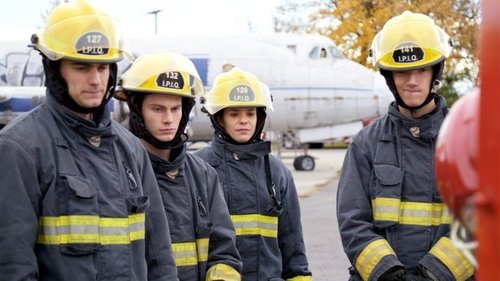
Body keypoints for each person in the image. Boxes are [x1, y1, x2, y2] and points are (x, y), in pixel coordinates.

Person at [0, 1, 178, 280]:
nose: (96, 79)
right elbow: (12, 266)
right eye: (81, 67)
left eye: (103, 67)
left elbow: (160, 258)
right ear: (55, 69)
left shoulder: (130, 149)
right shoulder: (20, 148)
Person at [336, 10, 475, 281]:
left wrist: (434, 274)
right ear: (389, 76)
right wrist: (387, 273)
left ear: (436, 71)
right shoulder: (366, 144)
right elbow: (352, 221)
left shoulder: (466, 140)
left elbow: (482, 219)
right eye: (402, 71)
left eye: (421, 69)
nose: (412, 80)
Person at [116, 50, 242, 281]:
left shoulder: (202, 174)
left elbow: (224, 253)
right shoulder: (116, 170)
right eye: (157, 109)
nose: (169, 119)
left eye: (176, 109)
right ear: (137, 110)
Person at [193, 67, 313, 281]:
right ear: (219, 118)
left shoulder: (277, 172)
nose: (244, 121)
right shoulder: (198, 167)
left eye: (250, 113)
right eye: (234, 114)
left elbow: (293, 246)